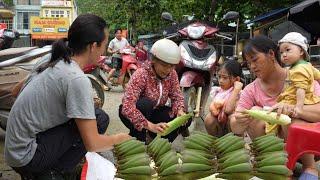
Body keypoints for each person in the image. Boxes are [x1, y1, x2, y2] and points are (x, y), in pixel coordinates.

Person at [4, 14, 130, 180]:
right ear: (93, 46)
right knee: (99, 120)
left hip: (13, 148)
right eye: (104, 45)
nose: (104, 50)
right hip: (26, 156)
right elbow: (93, 143)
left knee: (95, 114)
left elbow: (15, 91)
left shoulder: (51, 57)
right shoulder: (76, 78)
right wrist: (118, 139)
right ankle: (53, 173)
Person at [231, 35, 320, 180]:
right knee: (255, 114)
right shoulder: (250, 90)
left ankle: (309, 167)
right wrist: (239, 121)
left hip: (306, 148)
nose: (252, 66)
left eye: (255, 60)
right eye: (248, 63)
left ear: (271, 54)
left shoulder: (300, 75)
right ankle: (274, 165)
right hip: (273, 151)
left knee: (293, 120)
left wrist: (293, 109)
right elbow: (235, 126)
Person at [119, 38, 190, 143]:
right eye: (164, 65)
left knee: (185, 119)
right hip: (135, 113)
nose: (168, 70)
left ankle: (160, 144)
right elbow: (127, 107)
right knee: (145, 104)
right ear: (153, 60)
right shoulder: (141, 74)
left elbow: (176, 96)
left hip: (155, 112)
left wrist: (179, 110)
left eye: (171, 66)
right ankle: (139, 138)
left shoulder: (172, 74)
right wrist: (151, 126)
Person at [265, 32, 320, 133]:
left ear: (301, 51)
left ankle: (272, 138)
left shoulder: (298, 70)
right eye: (281, 53)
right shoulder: (308, 65)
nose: (284, 55)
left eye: (288, 50)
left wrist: (299, 108)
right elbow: (318, 76)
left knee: (272, 122)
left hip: (295, 101)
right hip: (309, 100)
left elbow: (300, 89)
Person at [204, 60, 243, 137]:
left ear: (236, 79)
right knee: (209, 118)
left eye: (225, 78)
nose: (220, 81)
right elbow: (212, 108)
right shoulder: (218, 91)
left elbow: (228, 110)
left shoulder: (239, 93)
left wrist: (236, 89)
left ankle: (234, 145)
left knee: (232, 118)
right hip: (220, 127)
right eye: (219, 77)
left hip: (232, 131)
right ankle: (215, 141)